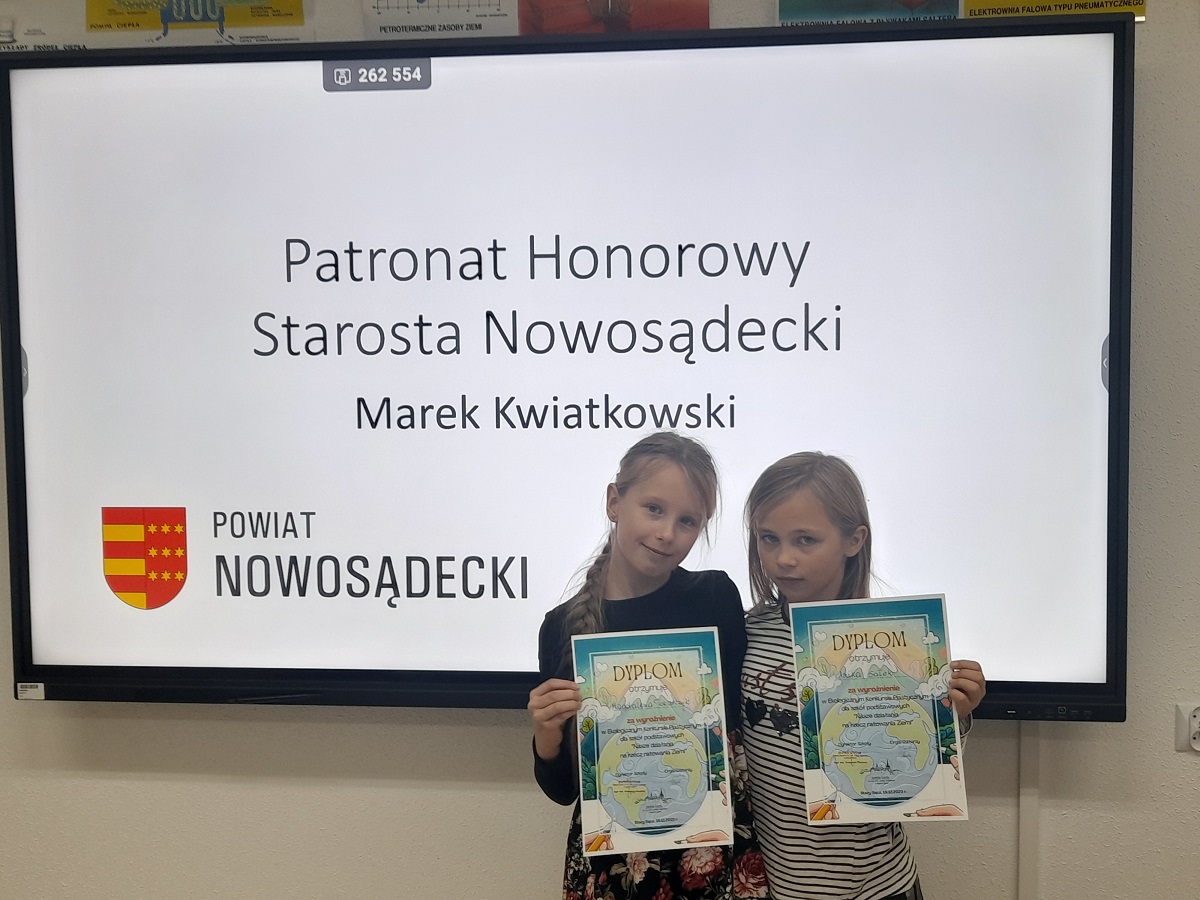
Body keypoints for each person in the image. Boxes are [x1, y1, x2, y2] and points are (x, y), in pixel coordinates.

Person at [528, 431, 769, 900]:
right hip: (615, 867)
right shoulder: (561, 627)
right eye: (654, 509)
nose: (667, 533)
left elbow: (735, 731)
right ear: (614, 501)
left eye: (687, 521)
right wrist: (547, 735)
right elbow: (563, 791)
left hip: (710, 856)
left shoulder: (714, 597)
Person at [740, 452, 986, 900]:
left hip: (878, 886)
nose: (784, 558)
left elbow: (924, 772)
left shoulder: (899, 644)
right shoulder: (748, 634)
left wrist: (956, 713)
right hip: (780, 886)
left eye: (806, 540)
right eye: (768, 538)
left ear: (853, 540)